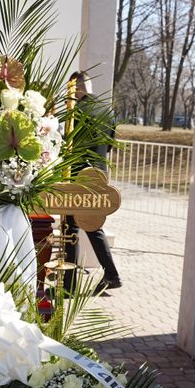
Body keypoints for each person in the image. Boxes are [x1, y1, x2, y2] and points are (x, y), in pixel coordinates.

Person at [64, 71, 121, 295]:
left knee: (71, 228)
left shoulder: (75, 111)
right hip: (99, 176)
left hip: (77, 176)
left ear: (75, 88)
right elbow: (108, 148)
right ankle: (111, 274)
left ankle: (69, 284)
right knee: (93, 226)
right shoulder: (108, 111)